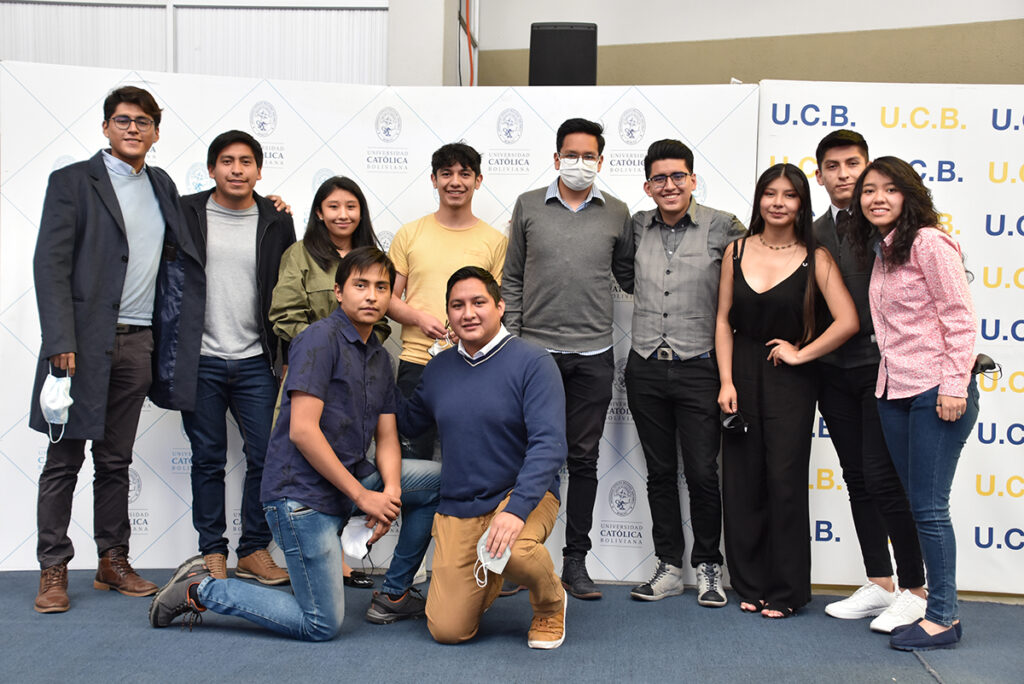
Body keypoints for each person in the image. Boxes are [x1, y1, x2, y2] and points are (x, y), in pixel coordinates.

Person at [149, 247, 442, 640]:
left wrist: (390, 493)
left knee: (438, 481)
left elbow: (387, 435)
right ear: (338, 291)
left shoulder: (377, 355)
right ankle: (201, 588)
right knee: (320, 623)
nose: (372, 296)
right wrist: (363, 497)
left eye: (381, 287)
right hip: (301, 498)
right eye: (361, 285)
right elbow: (303, 431)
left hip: (347, 485)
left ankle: (395, 593)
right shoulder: (318, 340)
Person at [30, 86, 205, 613]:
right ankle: (53, 569)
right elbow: (49, 264)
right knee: (63, 460)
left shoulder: (162, 183)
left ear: (156, 131)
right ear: (106, 127)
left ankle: (113, 560)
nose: (133, 128)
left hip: (138, 344)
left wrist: (271, 207)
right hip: (79, 346)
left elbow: (194, 225)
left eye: (143, 121)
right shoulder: (72, 182)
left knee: (114, 460)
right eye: (123, 120)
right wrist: (60, 341)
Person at [398, 267, 568, 649]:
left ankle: (550, 603)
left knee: (515, 550)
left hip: (520, 495)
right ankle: (488, 572)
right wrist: (373, 373)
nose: (468, 313)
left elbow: (549, 445)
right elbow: (409, 423)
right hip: (459, 506)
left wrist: (516, 510)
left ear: (500, 306)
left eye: (478, 302)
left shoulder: (533, 362)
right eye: (457, 305)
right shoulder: (439, 368)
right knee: (447, 630)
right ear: (448, 314)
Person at [715, 163, 857, 619]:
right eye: (769, 193)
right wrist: (726, 381)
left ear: (801, 203)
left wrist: (802, 353)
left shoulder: (817, 257)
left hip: (790, 382)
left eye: (789, 195)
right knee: (742, 481)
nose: (778, 202)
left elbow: (848, 321)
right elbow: (723, 320)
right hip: (740, 372)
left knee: (785, 481)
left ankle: (786, 591)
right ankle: (750, 583)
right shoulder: (736, 250)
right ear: (759, 199)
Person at [850, 156, 979, 651]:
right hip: (894, 391)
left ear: (909, 195)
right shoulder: (884, 250)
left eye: (889, 189)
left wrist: (954, 386)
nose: (877, 198)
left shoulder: (929, 242)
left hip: (935, 391)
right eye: (868, 190)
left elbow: (959, 319)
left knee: (929, 508)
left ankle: (943, 617)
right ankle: (934, 607)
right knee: (917, 503)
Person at [502, 118, 633, 600]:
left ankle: (575, 561)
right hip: (533, 355)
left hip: (594, 354)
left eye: (589, 156)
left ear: (601, 161)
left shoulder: (617, 212)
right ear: (557, 158)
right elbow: (512, 278)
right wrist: (513, 343)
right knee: (525, 457)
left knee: (583, 459)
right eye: (571, 155)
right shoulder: (528, 205)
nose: (580, 163)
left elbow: (629, 274)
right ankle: (514, 556)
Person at [811, 131, 927, 632]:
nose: (844, 174)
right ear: (819, 175)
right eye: (832, 166)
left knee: (886, 480)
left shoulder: (891, 224)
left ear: (867, 167)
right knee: (857, 478)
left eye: (853, 163)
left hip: (886, 370)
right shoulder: (810, 230)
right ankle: (879, 582)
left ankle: (915, 589)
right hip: (831, 372)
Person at [624, 140, 745, 606]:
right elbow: (622, 272)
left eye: (678, 176)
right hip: (645, 367)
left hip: (700, 368)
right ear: (648, 186)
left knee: (701, 472)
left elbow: (755, 273)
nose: (669, 185)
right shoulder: (636, 226)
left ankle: (709, 566)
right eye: (659, 178)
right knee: (659, 473)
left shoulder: (723, 226)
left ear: (693, 179)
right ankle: (669, 566)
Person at [178, 130, 295, 585]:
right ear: (211, 169)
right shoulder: (185, 212)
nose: (237, 169)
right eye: (227, 161)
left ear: (259, 171)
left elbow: (286, 291)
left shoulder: (276, 220)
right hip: (201, 357)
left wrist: (285, 354)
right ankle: (212, 550)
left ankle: (253, 550)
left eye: (246, 161)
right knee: (207, 458)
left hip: (256, 360)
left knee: (267, 456)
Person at [269, 175, 385, 588]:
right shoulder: (300, 254)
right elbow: (284, 313)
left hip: (357, 377)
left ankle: (339, 557)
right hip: (315, 369)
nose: (342, 214)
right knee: (309, 453)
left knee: (350, 454)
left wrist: (356, 349)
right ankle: (314, 559)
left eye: (351, 206)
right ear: (319, 212)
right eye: (333, 206)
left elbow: (380, 320)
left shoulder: (372, 256)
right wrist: (327, 347)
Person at [387, 142, 506, 462]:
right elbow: (388, 300)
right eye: (446, 173)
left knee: (471, 460)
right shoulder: (409, 234)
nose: (455, 181)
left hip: (474, 363)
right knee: (412, 462)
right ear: (434, 179)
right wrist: (418, 318)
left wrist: (468, 329)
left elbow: (497, 307)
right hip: (417, 362)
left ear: (478, 181)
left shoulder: (495, 241)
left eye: (465, 174)